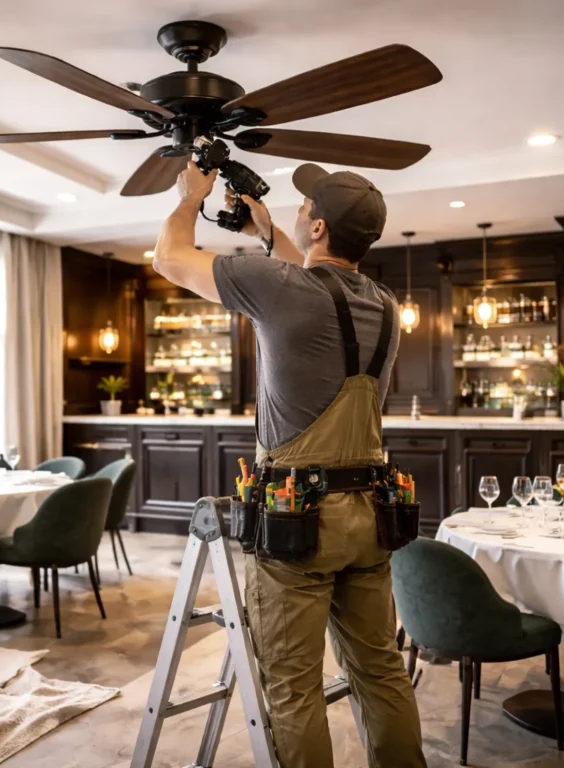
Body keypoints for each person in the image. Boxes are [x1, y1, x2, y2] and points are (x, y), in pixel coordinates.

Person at [152, 159, 426, 768]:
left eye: (306, 210)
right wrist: (266, 229)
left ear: (320, 227)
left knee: (293, 686)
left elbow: (168, 258)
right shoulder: (384, 303)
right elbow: (313, 276)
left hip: (296, 522)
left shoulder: (280, 289)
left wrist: (188, 198)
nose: (299, 214)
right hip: (370, 517)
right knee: (381, 670)